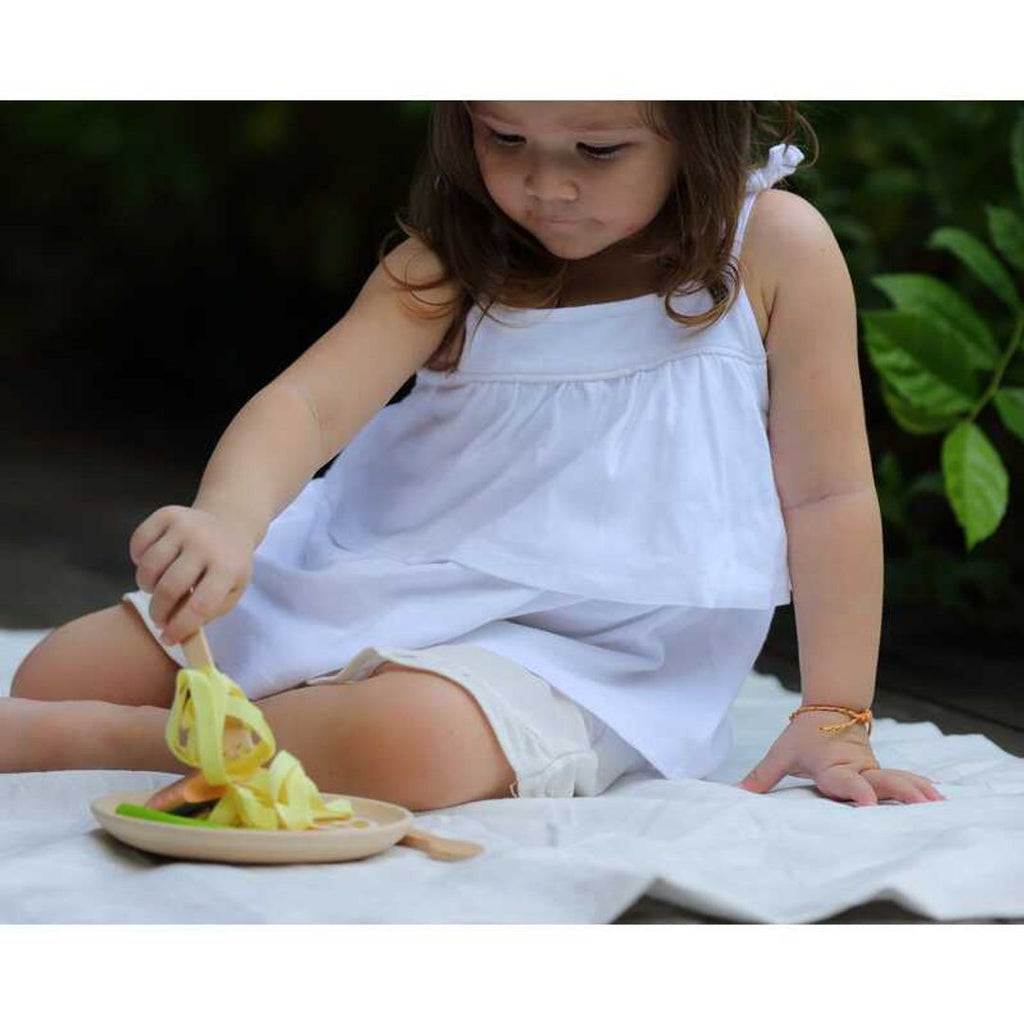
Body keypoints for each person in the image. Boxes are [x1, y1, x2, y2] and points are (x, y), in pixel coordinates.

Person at [6, 101, 944, 812]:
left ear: (697, 126)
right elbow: (307, 402)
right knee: (55, 671)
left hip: (582, 647)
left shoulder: (772, 250)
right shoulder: (457, 259)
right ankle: (252, 711)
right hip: (383, 570)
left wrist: (835, 714)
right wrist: (228, 519)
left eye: (598, 150)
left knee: (404, 744)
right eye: (505, 139)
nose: (547, 185)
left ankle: (115, 745)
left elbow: (827, 498)